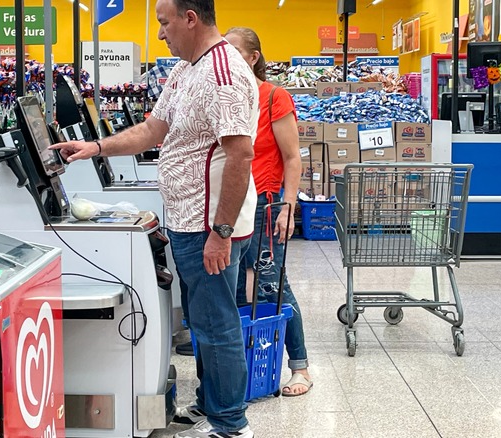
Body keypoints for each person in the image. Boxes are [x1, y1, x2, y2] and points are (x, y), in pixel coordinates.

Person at [50, 1, 259, 437]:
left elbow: (240, 154)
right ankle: (210, 405)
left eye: (164, 23)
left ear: (190, 18)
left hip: (209, 223)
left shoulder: (224, 73)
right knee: (203, 321)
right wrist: (96, 147)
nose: (160, 33)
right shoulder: (187, 70)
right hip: (187, 219)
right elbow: (154, 129)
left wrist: (220, 233)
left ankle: (231, 426)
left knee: (216, 323)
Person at [225, 27, 313, 397]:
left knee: (273, 283)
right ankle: (248, 366)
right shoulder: (226, 99)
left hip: (263, 202)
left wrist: (287, 207)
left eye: (233, 52)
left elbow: (293, 159)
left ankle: (301, 368)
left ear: (253, 57)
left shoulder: (274, 97)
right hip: (227, 205)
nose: (225, 60)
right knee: (231, 291)